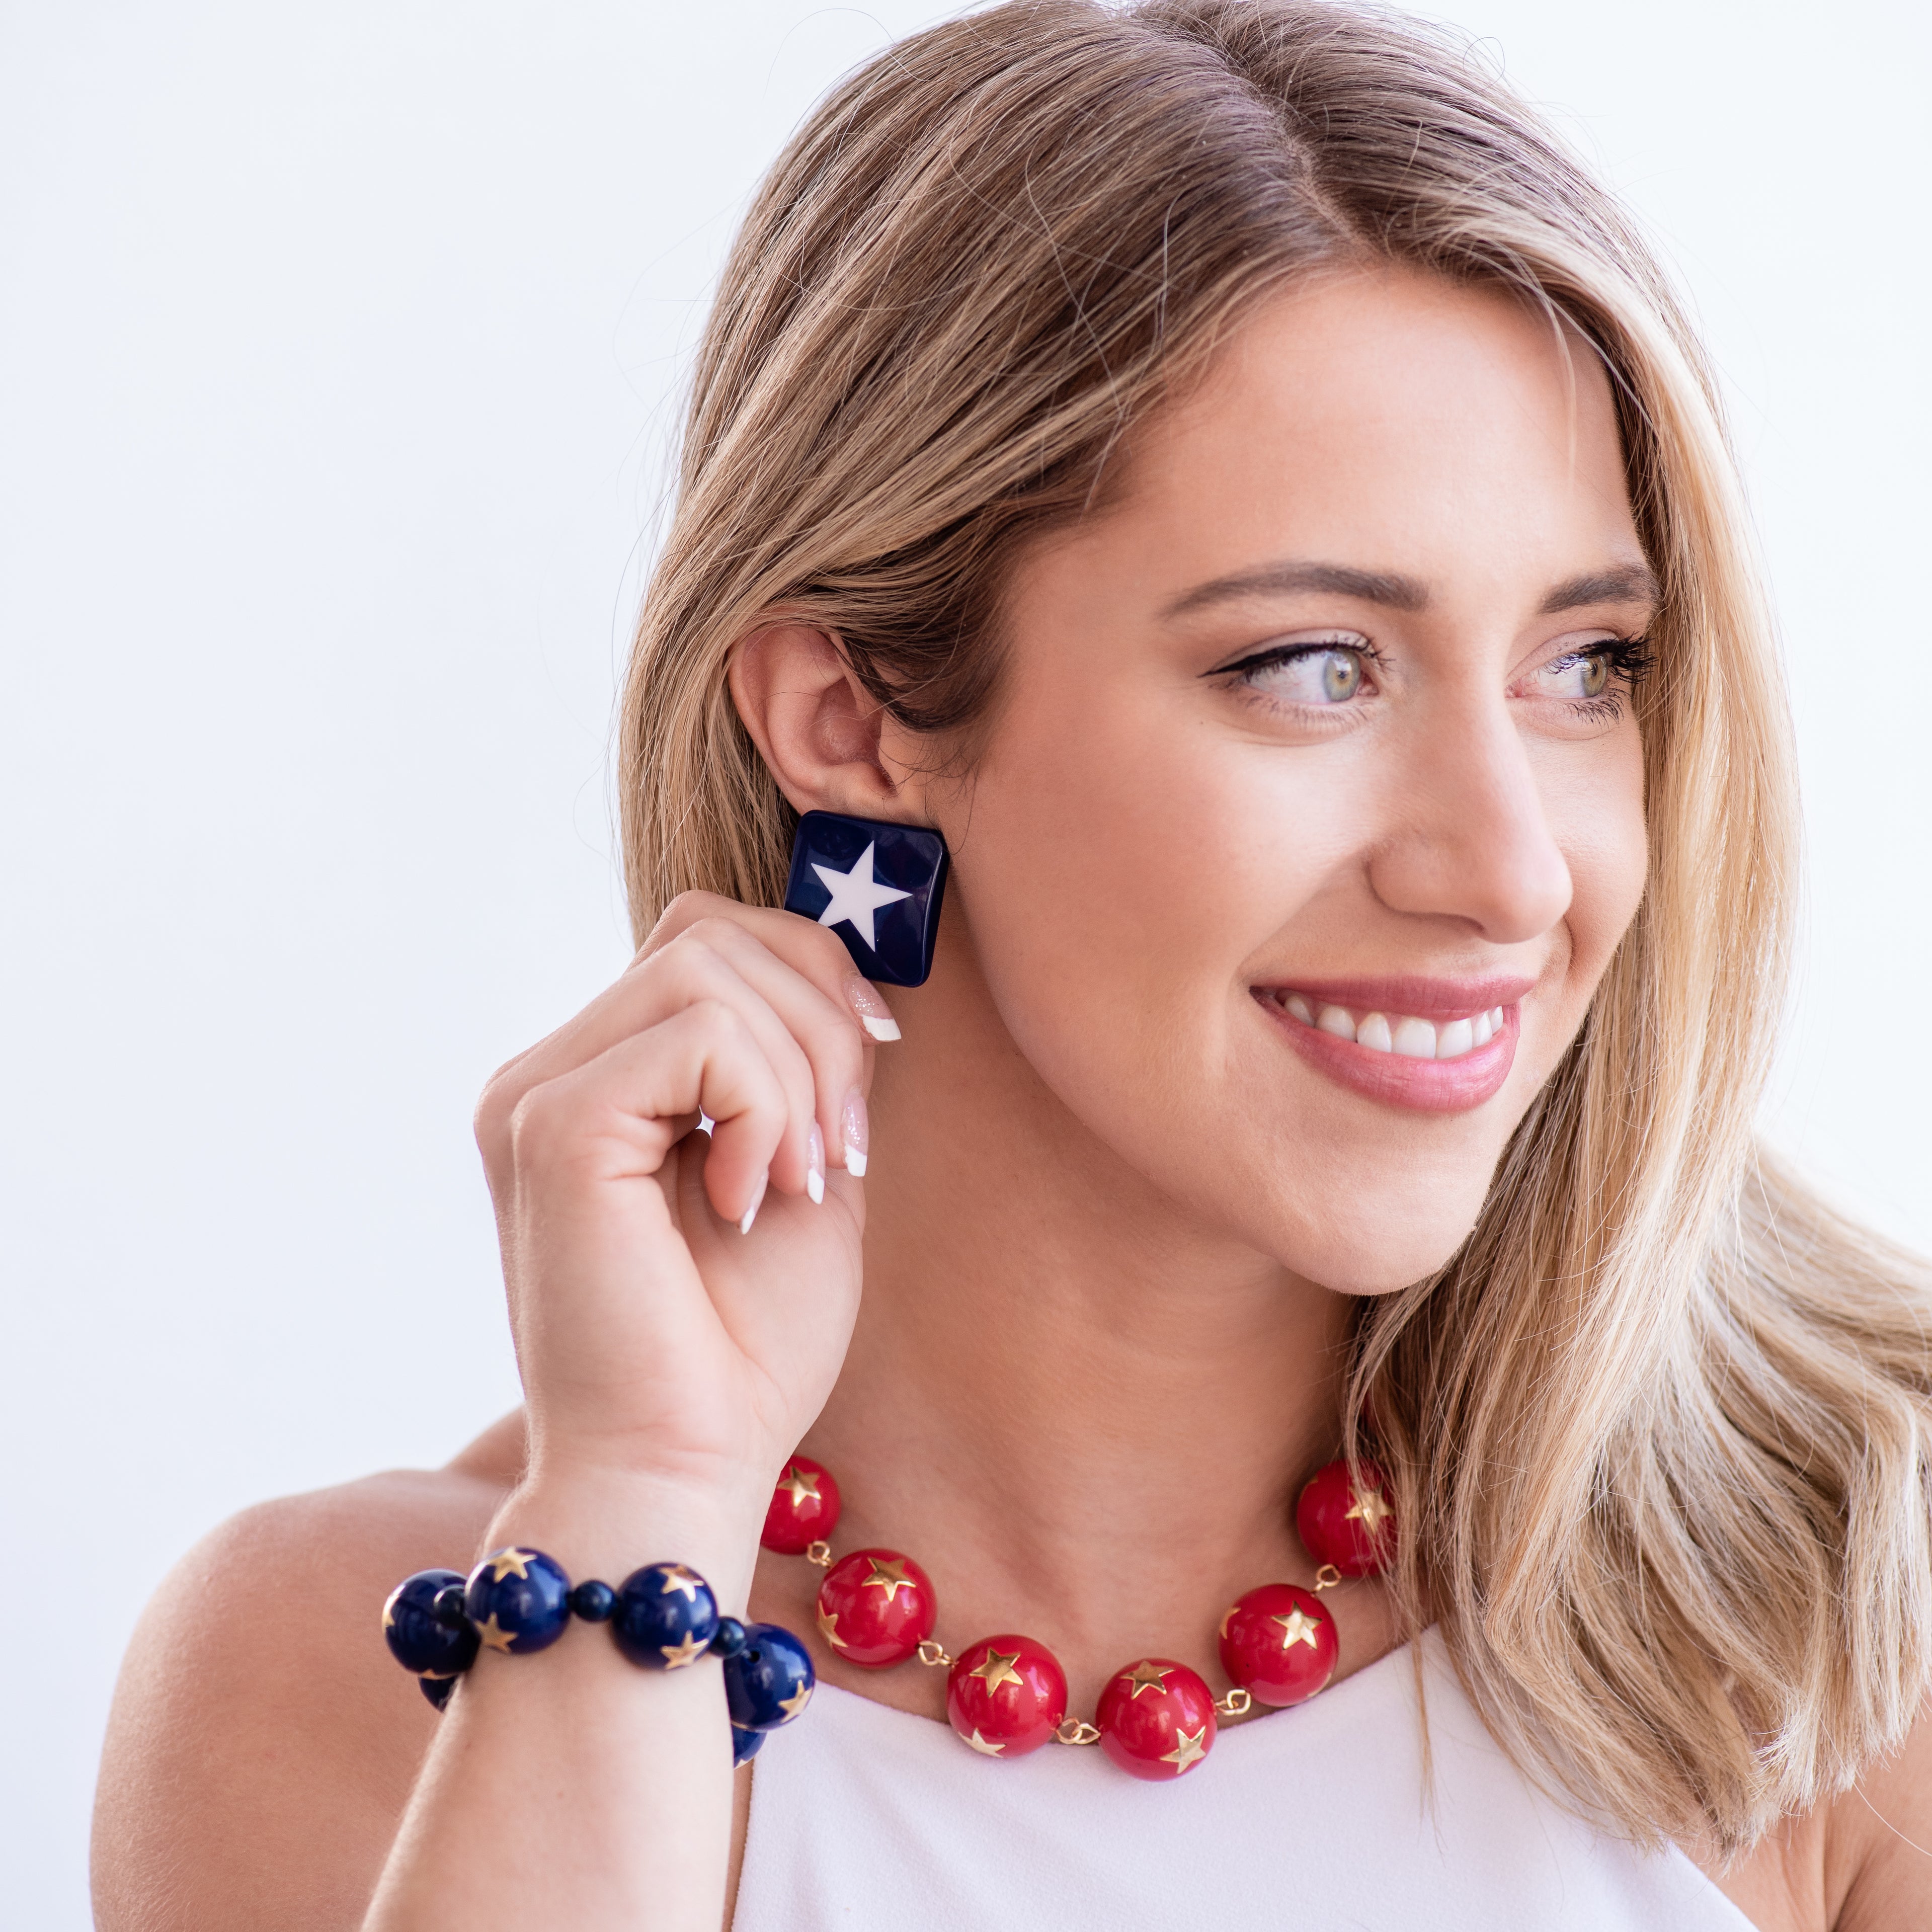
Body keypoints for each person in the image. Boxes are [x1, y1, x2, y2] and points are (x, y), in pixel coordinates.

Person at [90, 3, 1932, 1926]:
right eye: (1310, 667)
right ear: (851, 716)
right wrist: (644, 1493)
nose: (1512, 870)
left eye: (1586, 666)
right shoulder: (353, 1675)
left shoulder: (1850, 1614)